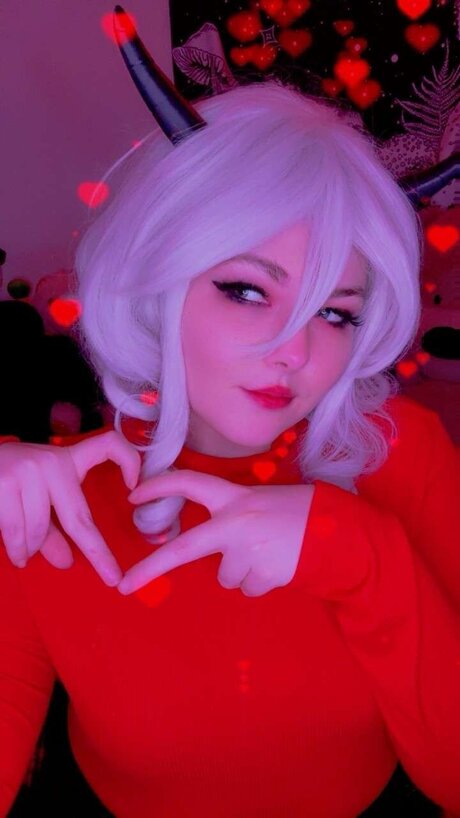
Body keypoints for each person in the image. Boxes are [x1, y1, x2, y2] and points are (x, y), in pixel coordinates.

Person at [0, 8, 459, 817]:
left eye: (336, 312)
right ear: (154, 276)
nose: (294, 349)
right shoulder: (54, 510)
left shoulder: (402, 452)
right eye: (247, 290)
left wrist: (361, 559)